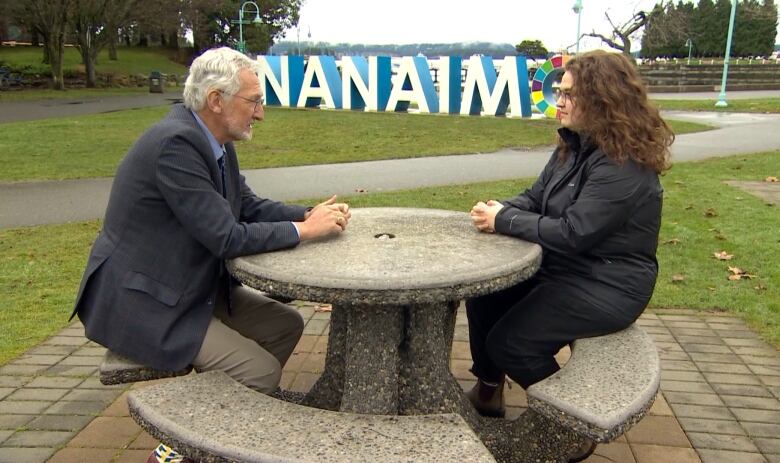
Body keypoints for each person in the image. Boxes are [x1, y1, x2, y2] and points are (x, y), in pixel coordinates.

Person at [70, 47, 351, 463]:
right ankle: (177, 447)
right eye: (254, 101)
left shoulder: (212, 140)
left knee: (285, 325)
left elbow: (247, 205)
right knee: (260, 372)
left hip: (185, 289)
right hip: (145, 302)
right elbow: (226, 237)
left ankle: (213, 426)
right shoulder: (176, 146)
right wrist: (306, 231)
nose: (260, 114)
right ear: (216, 100)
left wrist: (308, 214)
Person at [465, 50, 673, 462]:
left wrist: (505, 220)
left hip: (608, 284)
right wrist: (498, 208)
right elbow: (536, 198)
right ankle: (488, 390)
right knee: (486, 295)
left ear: (602, 99)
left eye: (567, 94)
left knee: (513, 343)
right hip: (561, 268)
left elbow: (575, 232)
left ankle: (573, 425)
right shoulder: (574, 146)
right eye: (557, 92)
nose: (556, 101)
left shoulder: (624, 163)